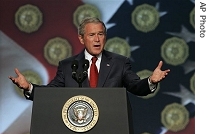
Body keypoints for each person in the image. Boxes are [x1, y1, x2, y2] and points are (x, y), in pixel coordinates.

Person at [9, 17, 170, 101]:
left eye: (101, 34)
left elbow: (136, 87)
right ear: (81, 39)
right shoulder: (67, 66)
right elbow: (51, 94)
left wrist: (151, 81)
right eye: (92, 35)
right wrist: (29, 87)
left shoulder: (119, 63)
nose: (97, 39)